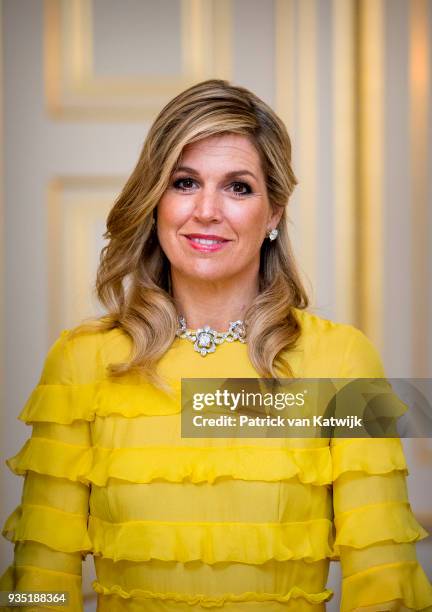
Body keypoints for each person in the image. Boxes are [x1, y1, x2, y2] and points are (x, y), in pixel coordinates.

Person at [1, 79, 432, 612]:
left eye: (239, 187)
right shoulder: (82, 361)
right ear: (155, 199)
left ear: (273, 212)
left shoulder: (342, 362)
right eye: (184, 182)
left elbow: (387, 588)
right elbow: (36, 584)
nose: (206, 210)